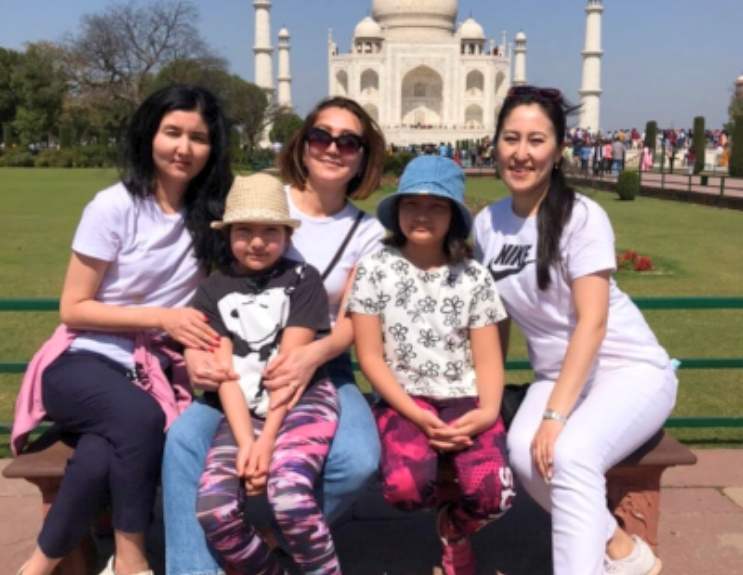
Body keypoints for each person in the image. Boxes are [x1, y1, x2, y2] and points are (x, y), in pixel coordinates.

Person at [11, 84, 233, 575]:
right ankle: (131, 559)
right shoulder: (115, 206)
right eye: (172, 132)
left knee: (99, 454)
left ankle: (35, 568)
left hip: (151, 371)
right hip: (83, 362)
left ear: (212, 148)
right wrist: (162, 317)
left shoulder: (213, 216)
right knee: (139, 420)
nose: (184, 147)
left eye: (198, 137)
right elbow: (73, 308)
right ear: (149, 135)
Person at [161, 95, 387, 575]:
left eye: (349, 142)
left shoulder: (366, 232)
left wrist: (311, 355)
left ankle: (271, 537)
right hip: (236, 363)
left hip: (322, 363)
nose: (333, 148)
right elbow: (214, 291)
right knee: (184, 441)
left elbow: (356, 318)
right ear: (302, 144)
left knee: (358, 459)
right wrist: (195, 353)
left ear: (363, 156)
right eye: (321, 136)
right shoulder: (259, 198)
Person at [473, 85, 677, 575]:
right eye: (511, 138)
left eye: (536, 140)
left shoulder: (581, 217)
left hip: (628, 370)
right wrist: (487, 398)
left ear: (559, 149)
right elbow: (495, 320)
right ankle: (622, 549)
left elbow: (593, 322)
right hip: (557, 375)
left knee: (571, 455)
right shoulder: (488, 224)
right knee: (524, 456)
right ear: (495, 143)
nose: (521, 153)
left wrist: (555, 416)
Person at [348, 155, 515, 575]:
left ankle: (454, 528)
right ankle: (449, 523)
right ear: (397, 210)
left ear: (453, 216)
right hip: (404, 398)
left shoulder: (472, 276)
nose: (422, 214)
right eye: (412, 204)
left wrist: (487, 412)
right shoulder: (375, 269)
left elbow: (488, 357)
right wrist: (417, 414)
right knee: (404, 489)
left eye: (436, 206)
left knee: (496, 496)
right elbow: (370, 356)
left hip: (465, 398)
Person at [193, 173, 341, 573]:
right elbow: (224, 373)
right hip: (243, 407)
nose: (256, 242)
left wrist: (267, 441)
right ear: (228, 235)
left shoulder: (303, 279)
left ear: (287, 236)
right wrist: (247, 443)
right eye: (244, 231)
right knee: (215, 510)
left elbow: (289, 370)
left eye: (269, 231)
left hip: (301, 399)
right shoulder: (212, 290)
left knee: (289, 496)